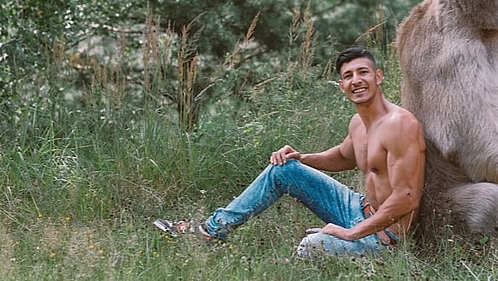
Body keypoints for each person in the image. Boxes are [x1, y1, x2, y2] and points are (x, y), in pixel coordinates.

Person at [153, 47, 426, 258]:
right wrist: (301, 158)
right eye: (348, 76)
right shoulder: (359, 122)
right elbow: (344, 157)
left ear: (378, 76)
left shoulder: (398, 124)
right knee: (283, 169)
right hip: (358, 207)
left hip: (383, 235)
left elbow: (406, 197)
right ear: (341, 85)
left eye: (363, 72)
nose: (356, 80)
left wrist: (350, 233)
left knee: (312, 247)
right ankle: (210, 232)